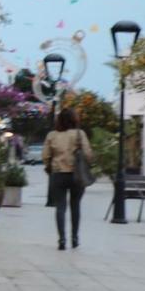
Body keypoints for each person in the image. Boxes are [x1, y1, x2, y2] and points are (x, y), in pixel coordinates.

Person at [44, 108, 94, 251]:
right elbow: (88, 153)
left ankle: (61, 239)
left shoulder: (52, 135)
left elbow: (45, 156)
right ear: (74, 119)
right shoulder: (80, 134)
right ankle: (75, 238)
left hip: (58, 173)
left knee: (60, 207)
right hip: (76, 175)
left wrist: (50, 166)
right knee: (75, 205)